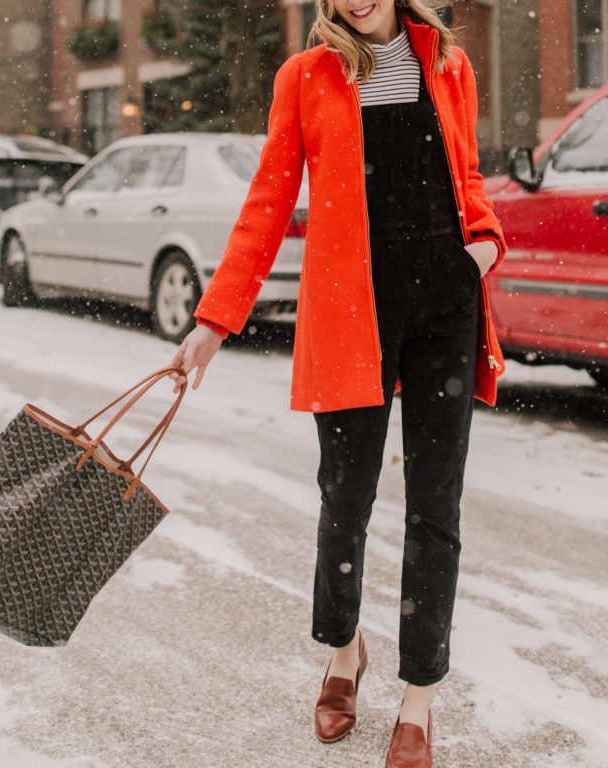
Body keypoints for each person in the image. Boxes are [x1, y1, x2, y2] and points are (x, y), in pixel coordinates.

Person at [170, 0, 506, 765]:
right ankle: (344, 652)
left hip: (444, 313)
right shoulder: (306, 75)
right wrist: (215, 321)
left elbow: (469, 175)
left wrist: (482, 244)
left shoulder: (448, 65)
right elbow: (266, 205)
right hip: (351, 312)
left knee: (436, 507)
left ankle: (418, 697)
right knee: (345, 498)